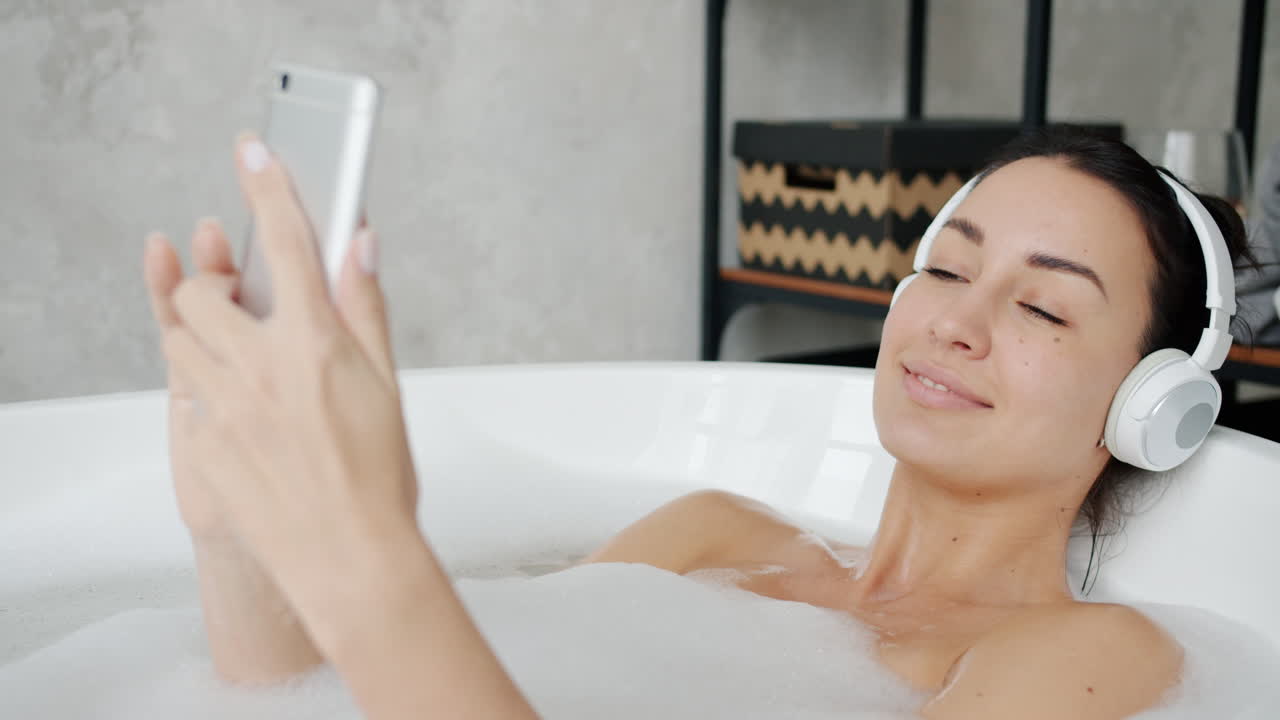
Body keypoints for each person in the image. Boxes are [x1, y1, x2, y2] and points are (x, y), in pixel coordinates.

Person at [141, 126, 1255, 720]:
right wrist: (231, 533)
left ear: (1144, 407)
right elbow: (303, 705)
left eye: (1040, 305)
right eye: (946, 269)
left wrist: (372, 560)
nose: (955, 322)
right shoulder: (705, 535)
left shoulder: (1088, 654)